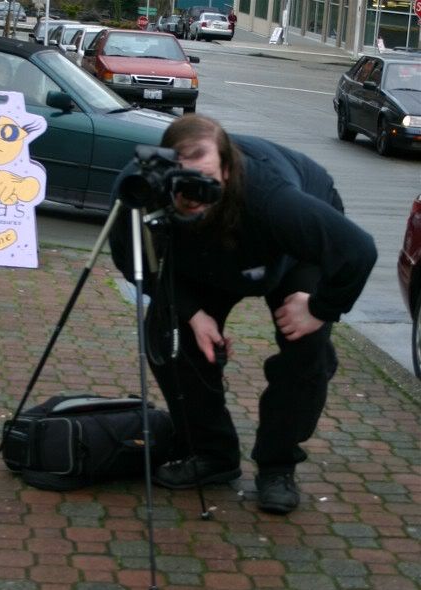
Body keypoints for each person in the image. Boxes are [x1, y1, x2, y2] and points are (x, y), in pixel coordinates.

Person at [109, 115, 377, 514]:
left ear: (229, 170)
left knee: (306, 351)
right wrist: (193, 313)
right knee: (169, 334)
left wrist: (320, 308)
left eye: (205, 180)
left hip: (287, 252)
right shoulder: (141, 186)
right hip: (204, 261)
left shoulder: (275, 200)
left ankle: (277, 464)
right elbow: (134, 262)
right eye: (182, 182)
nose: (192, 194)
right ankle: (213, 454)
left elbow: (358, 251)